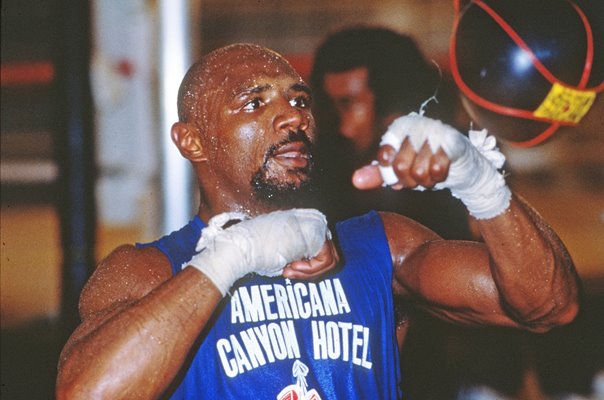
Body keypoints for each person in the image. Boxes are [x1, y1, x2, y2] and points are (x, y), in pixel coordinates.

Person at [55, 43, 580, 399]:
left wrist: (481, 184)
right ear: (191, 141)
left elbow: (549, 307)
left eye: (298, 99)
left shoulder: (378, 244)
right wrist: (228, 260)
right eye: (253, 103)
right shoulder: (151, 271)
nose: (292, 116)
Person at [311, 26, 473, 240]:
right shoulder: (324, 167)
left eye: (348, 104)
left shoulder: (460, 161)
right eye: (330, 106)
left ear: (392, 109)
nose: (342, 127)